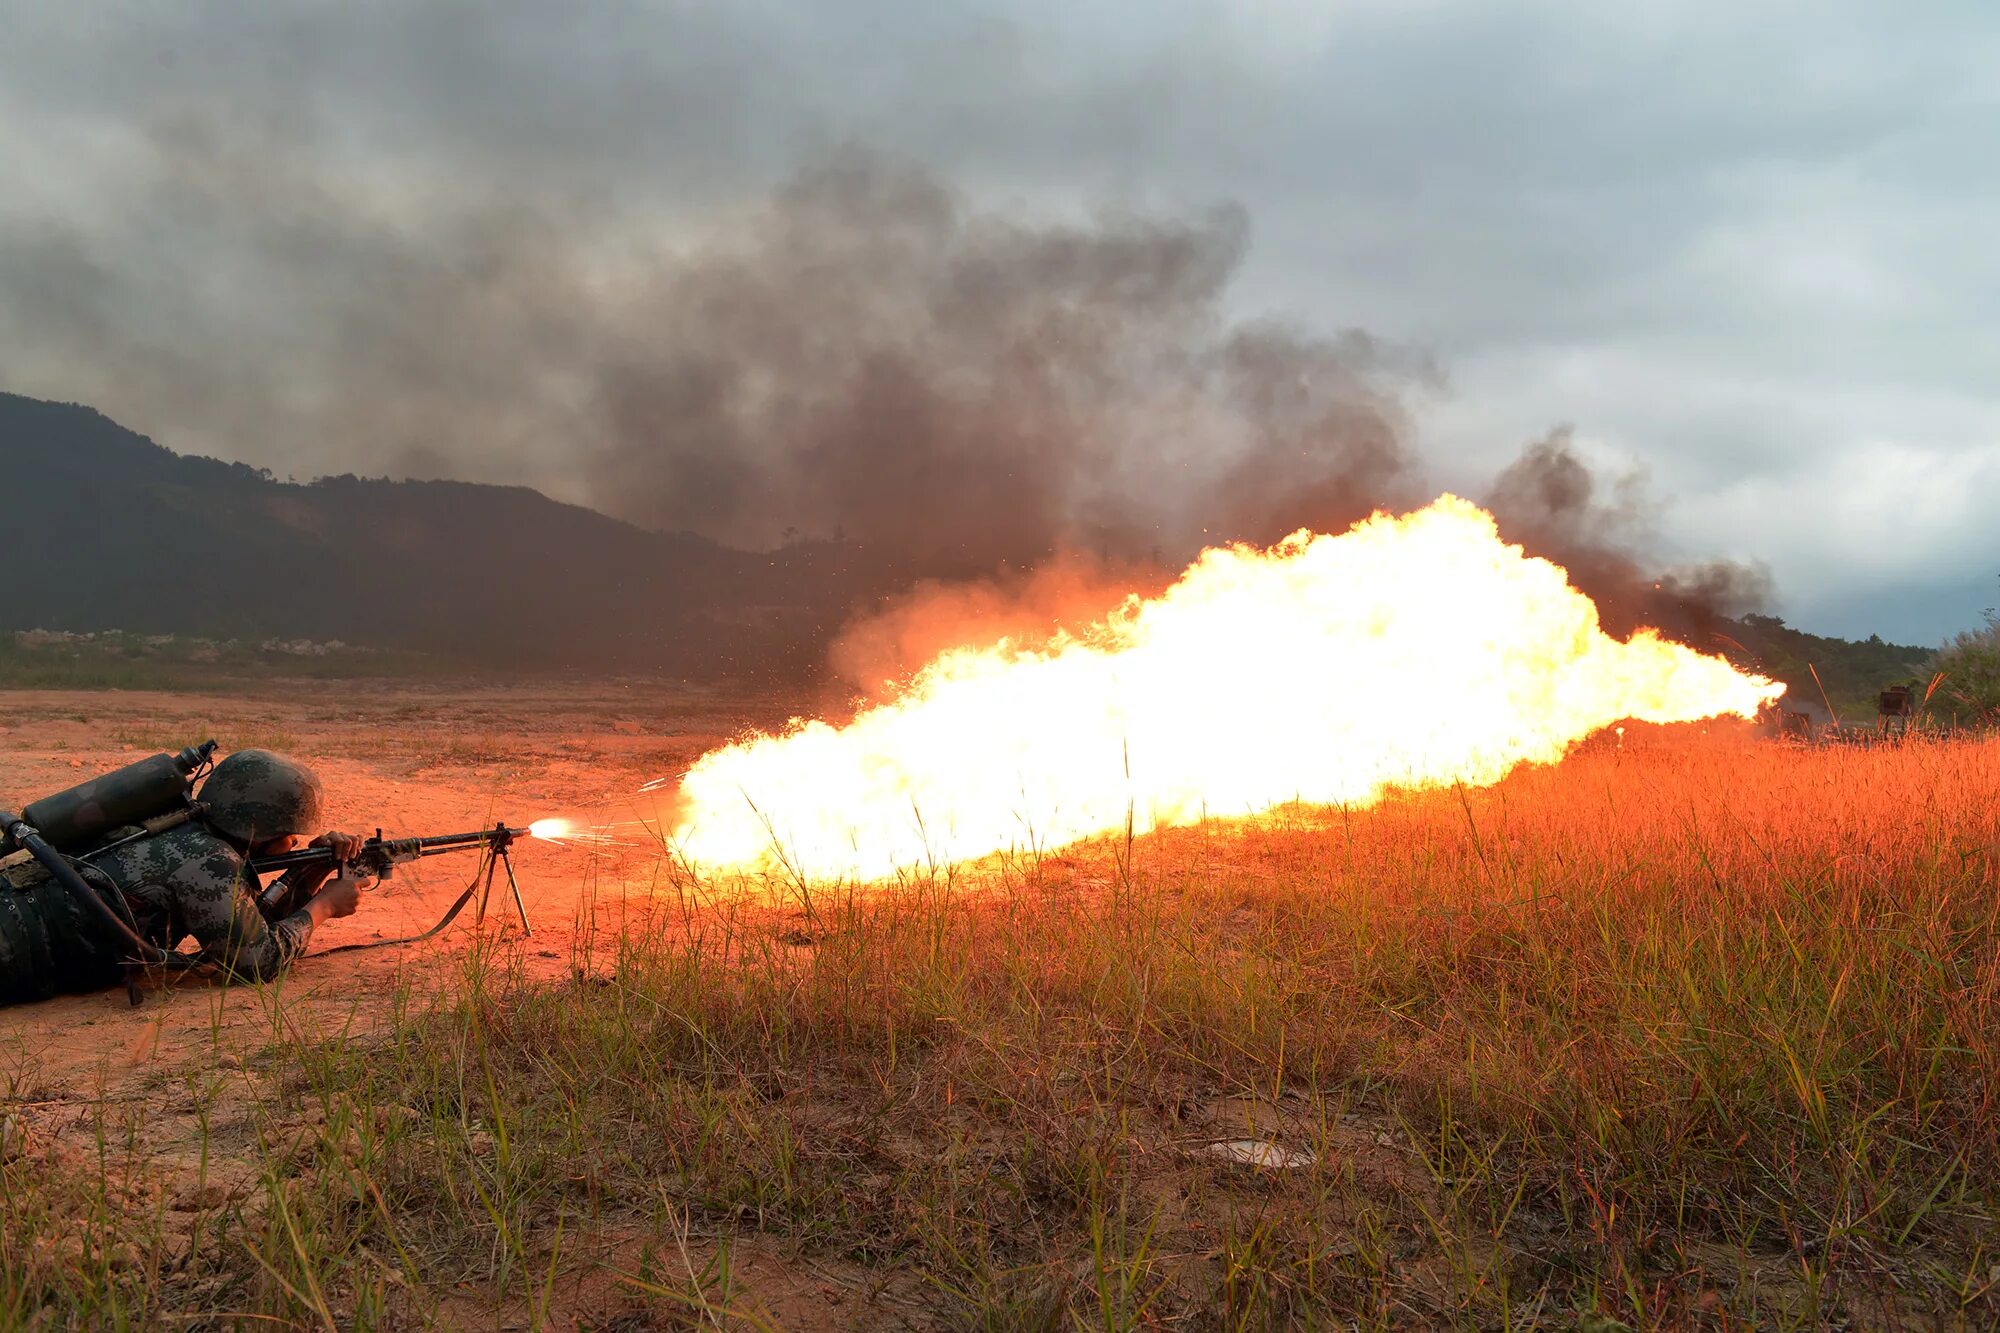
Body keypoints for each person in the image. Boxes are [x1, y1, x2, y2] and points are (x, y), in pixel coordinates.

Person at [0, 749, 369, 1006]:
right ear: (261, 827)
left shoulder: (181, 826)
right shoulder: (210, 860)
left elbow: (248, 923)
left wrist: (311, 869)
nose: (295, 842)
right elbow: (256, 962)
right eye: (291, 834)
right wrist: (323, 908)